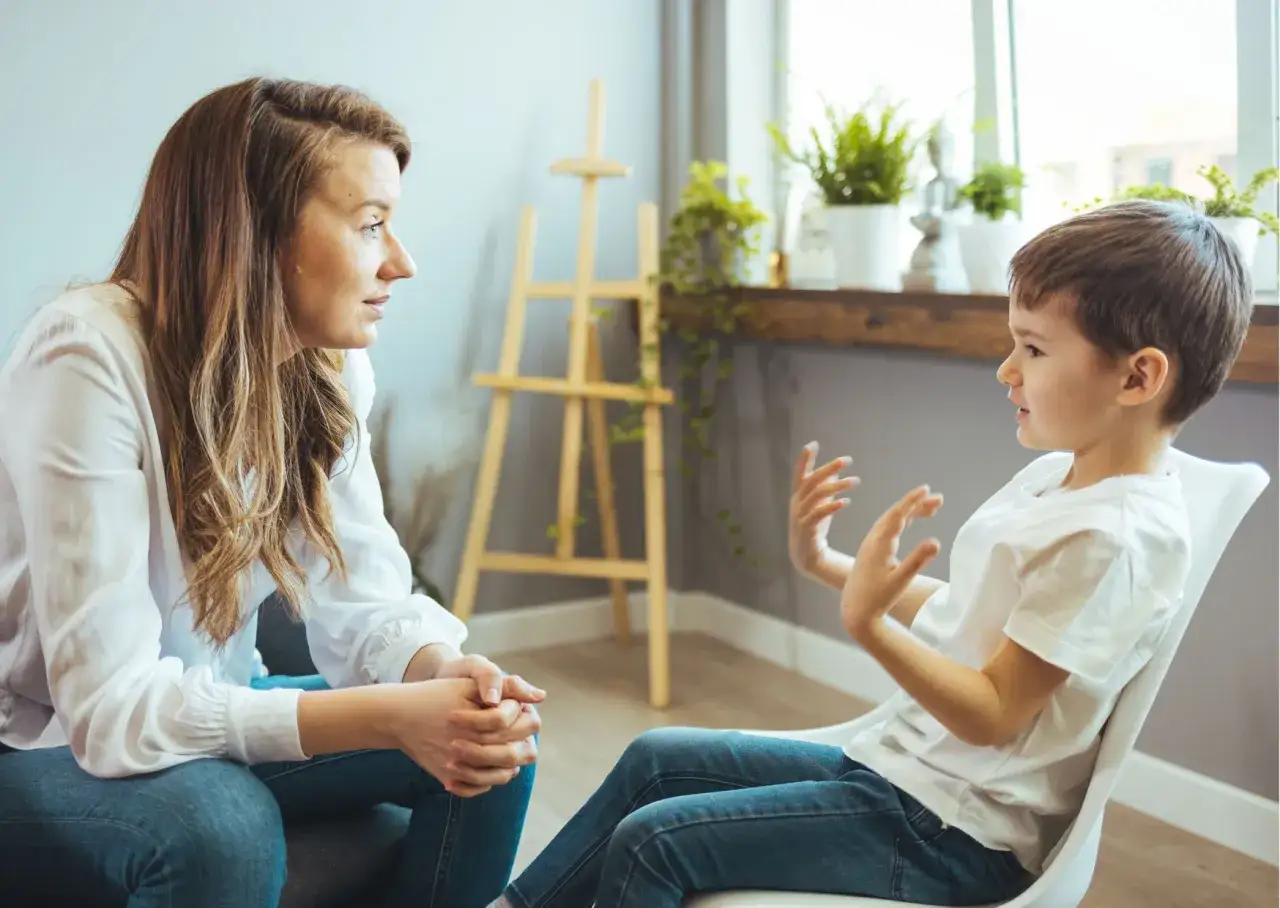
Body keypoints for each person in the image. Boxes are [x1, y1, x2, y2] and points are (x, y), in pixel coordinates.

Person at [490, 198, 1254, 908]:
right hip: (902, 775)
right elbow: (975, 621)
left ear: (1138, 375)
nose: (1006, 370)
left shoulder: (1114, 540)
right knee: (655, 759)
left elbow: (992, 714)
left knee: (655, 843)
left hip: (950, 833)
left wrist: (872, 629)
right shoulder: (1060, 478)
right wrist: (828, 564)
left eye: (1033, 349)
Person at [0, 77, 544, 908]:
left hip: (210, 700)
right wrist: (391, 716)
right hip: (44, 744)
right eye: (371, 226)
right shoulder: (88, 356)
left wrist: (440, 674)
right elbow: (110, 710)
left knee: (488, 745)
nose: (402, 262)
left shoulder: (324, 366)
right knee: (224, 827)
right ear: (256, 231)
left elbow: (363, 598)